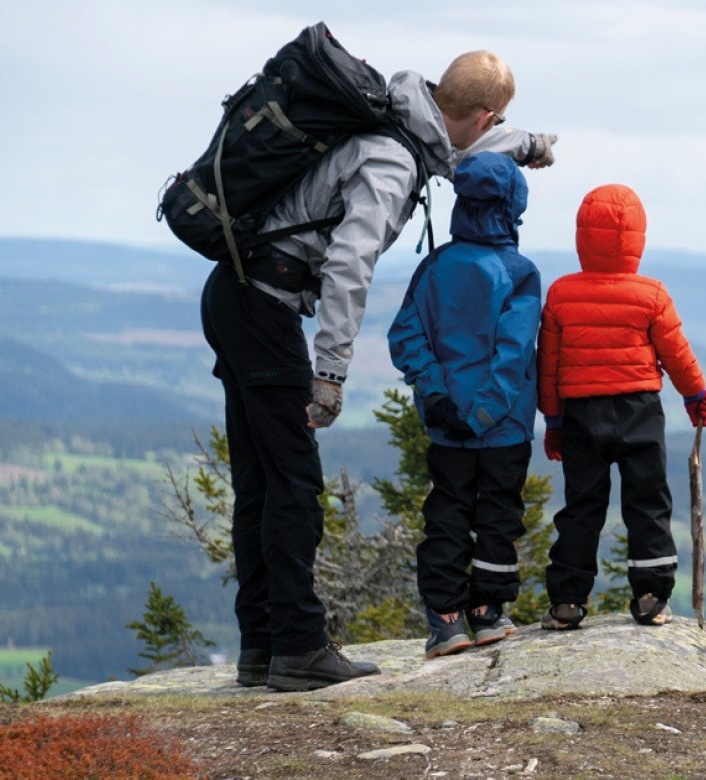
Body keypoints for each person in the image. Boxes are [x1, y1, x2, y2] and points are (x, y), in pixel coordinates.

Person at [200, 50, 557, 692]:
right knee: (293, 486)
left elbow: (464, 145)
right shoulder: (394, 161)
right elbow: (348, 263)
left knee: (259, 481)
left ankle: (263, 647)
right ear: (484, 115)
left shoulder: (408, 117)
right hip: (265, 308)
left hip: (236, 292)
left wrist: (527, 143)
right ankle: (301, 648)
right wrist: (330, 371)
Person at [537, 183, 706, 630]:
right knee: (648, 501)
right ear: (638, 239)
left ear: (582, 236)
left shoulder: (561, 293)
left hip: (581, 414)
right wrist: (695, 395)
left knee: (581, 506)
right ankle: (652, 596)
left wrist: (554, 420)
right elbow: (676, 352)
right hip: (640, 410)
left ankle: (567, 601)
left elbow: (548, 364)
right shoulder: (652, 294)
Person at [388, 151, 540, 659]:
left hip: (446, 427)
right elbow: (513, 354)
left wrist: (434, 393)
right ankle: (487, 614)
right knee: (498, 515)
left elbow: (405, 334)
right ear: (512, 206)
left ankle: (446, 621)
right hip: (503, 430)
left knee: (448, 513)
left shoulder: (434, 266)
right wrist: (482, 414)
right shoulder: (519, 272)